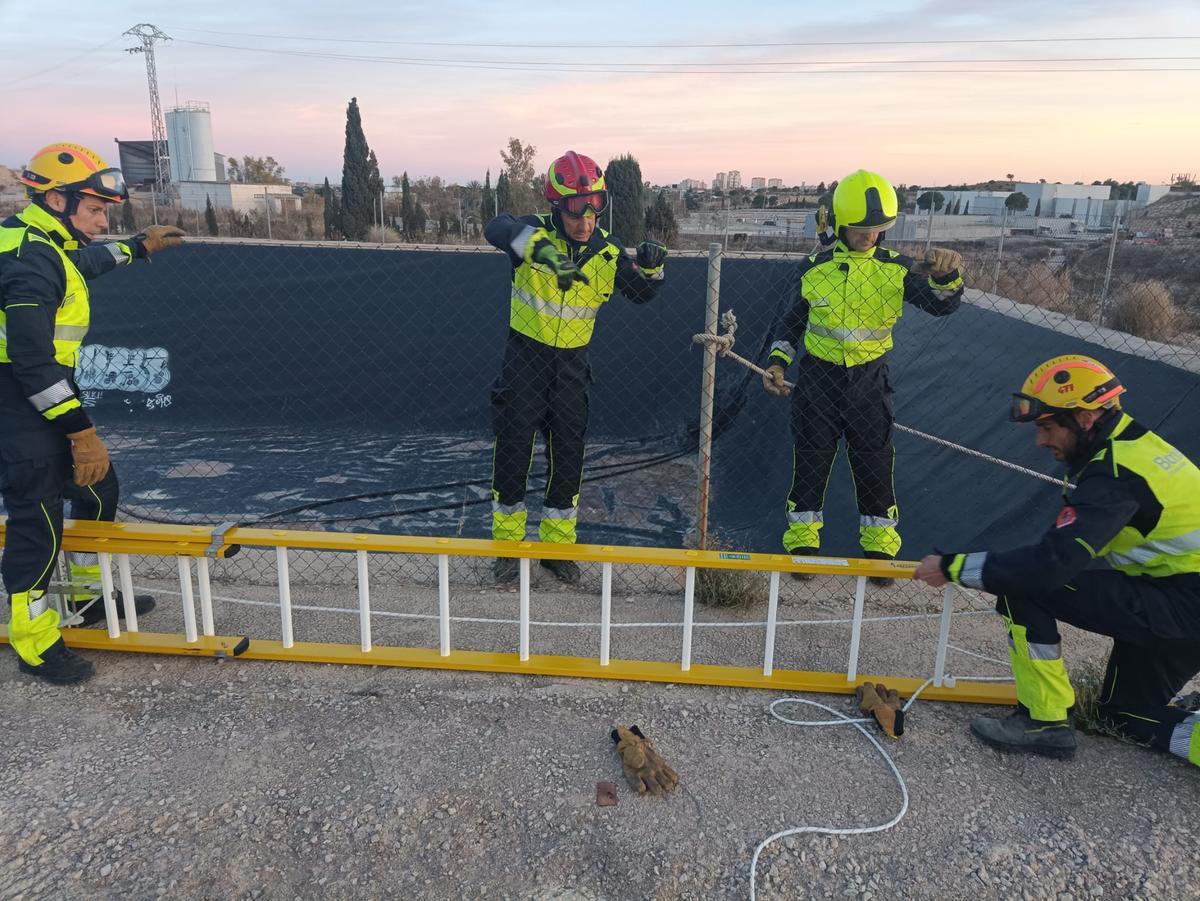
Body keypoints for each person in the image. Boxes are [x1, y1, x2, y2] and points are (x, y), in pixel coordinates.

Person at [914, 355, 1200, 766]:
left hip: (1184, 602)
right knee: (1126, 716)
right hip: (1176, 599)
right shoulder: (1130, 449)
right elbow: (1070, 547)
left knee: (1024, 586)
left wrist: (951, 567)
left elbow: (1049, 567)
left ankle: (1043, 722)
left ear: (1084, 418)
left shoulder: (1115, 476)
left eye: (1047, 427)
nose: (1040, 441)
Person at [2, 142, 184, 684]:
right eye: (96, 208)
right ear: (55, 198)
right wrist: (81, 433)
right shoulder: (29, 257)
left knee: (98, 489)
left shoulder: (44, 240)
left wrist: (137, 248)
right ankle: (34, 640)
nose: (103, 219)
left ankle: (85, 598)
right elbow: (33, 360)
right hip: (17, 391)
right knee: (38, 517)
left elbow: (82, 262)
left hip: (39, 385)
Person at [762, 169, 964, 585]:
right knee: (811, 462)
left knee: (874, 464)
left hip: (870, 383)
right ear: (839, 225)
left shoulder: (899, 270)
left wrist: (947, 278)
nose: (868, 237)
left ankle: (880, 551)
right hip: (818, 381)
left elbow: (941, 306)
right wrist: (778, 362)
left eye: (877, 229)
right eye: (859, 229)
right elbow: (790, 325)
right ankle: (802, 543)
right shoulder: (812, 269)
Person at [484, 151, 666, 585]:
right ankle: (508, 547)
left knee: (568, 456)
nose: (585, 220)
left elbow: (640, 294)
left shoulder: (606, 253)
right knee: (513, 450)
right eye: (574, 209)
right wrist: (541, 252)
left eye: (594, 207)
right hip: (524, 361)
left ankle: (557, 547)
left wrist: (655, 270)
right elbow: (497, 227)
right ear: (555, 206)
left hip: (572, 369)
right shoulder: (533, 234)